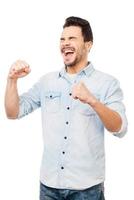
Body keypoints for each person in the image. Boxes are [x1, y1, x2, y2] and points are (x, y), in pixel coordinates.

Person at [5, 16, 128, 200]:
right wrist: (12, 80)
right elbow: (13, 112)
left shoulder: (107, 83)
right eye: (62, 39)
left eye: (72, 38)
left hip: (87, 189)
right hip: (49, 187)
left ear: (88, 45)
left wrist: (92, 101)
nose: (65, 43)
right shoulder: (47, 82)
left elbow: (120, 128)